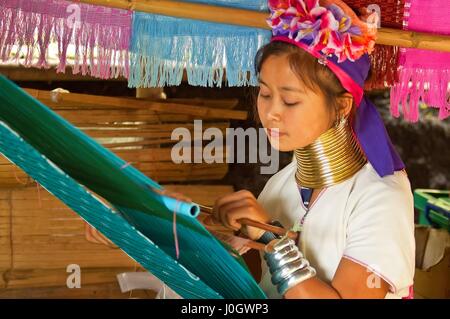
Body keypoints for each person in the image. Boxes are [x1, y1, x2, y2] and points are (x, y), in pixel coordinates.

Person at [212, 0, 415, 299]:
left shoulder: (380, 195)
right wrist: (223, 238)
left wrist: (270, 236)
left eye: (290, 100)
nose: (271, 112)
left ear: (342, 106)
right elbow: (259, 286)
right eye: (265, 93)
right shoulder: (280, 184)